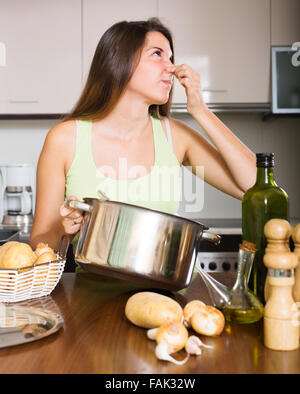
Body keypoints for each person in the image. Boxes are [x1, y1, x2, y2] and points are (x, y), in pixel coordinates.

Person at [30, 18, 256, 252]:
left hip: (168, 289)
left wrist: (201, 110)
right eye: (157, 54)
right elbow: (39, 241)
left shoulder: (176, 137)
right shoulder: (65, 139)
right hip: (91, 288)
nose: (171, 67)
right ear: (119, 60)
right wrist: (63, 229)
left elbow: (255, 188)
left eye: (170, 58)